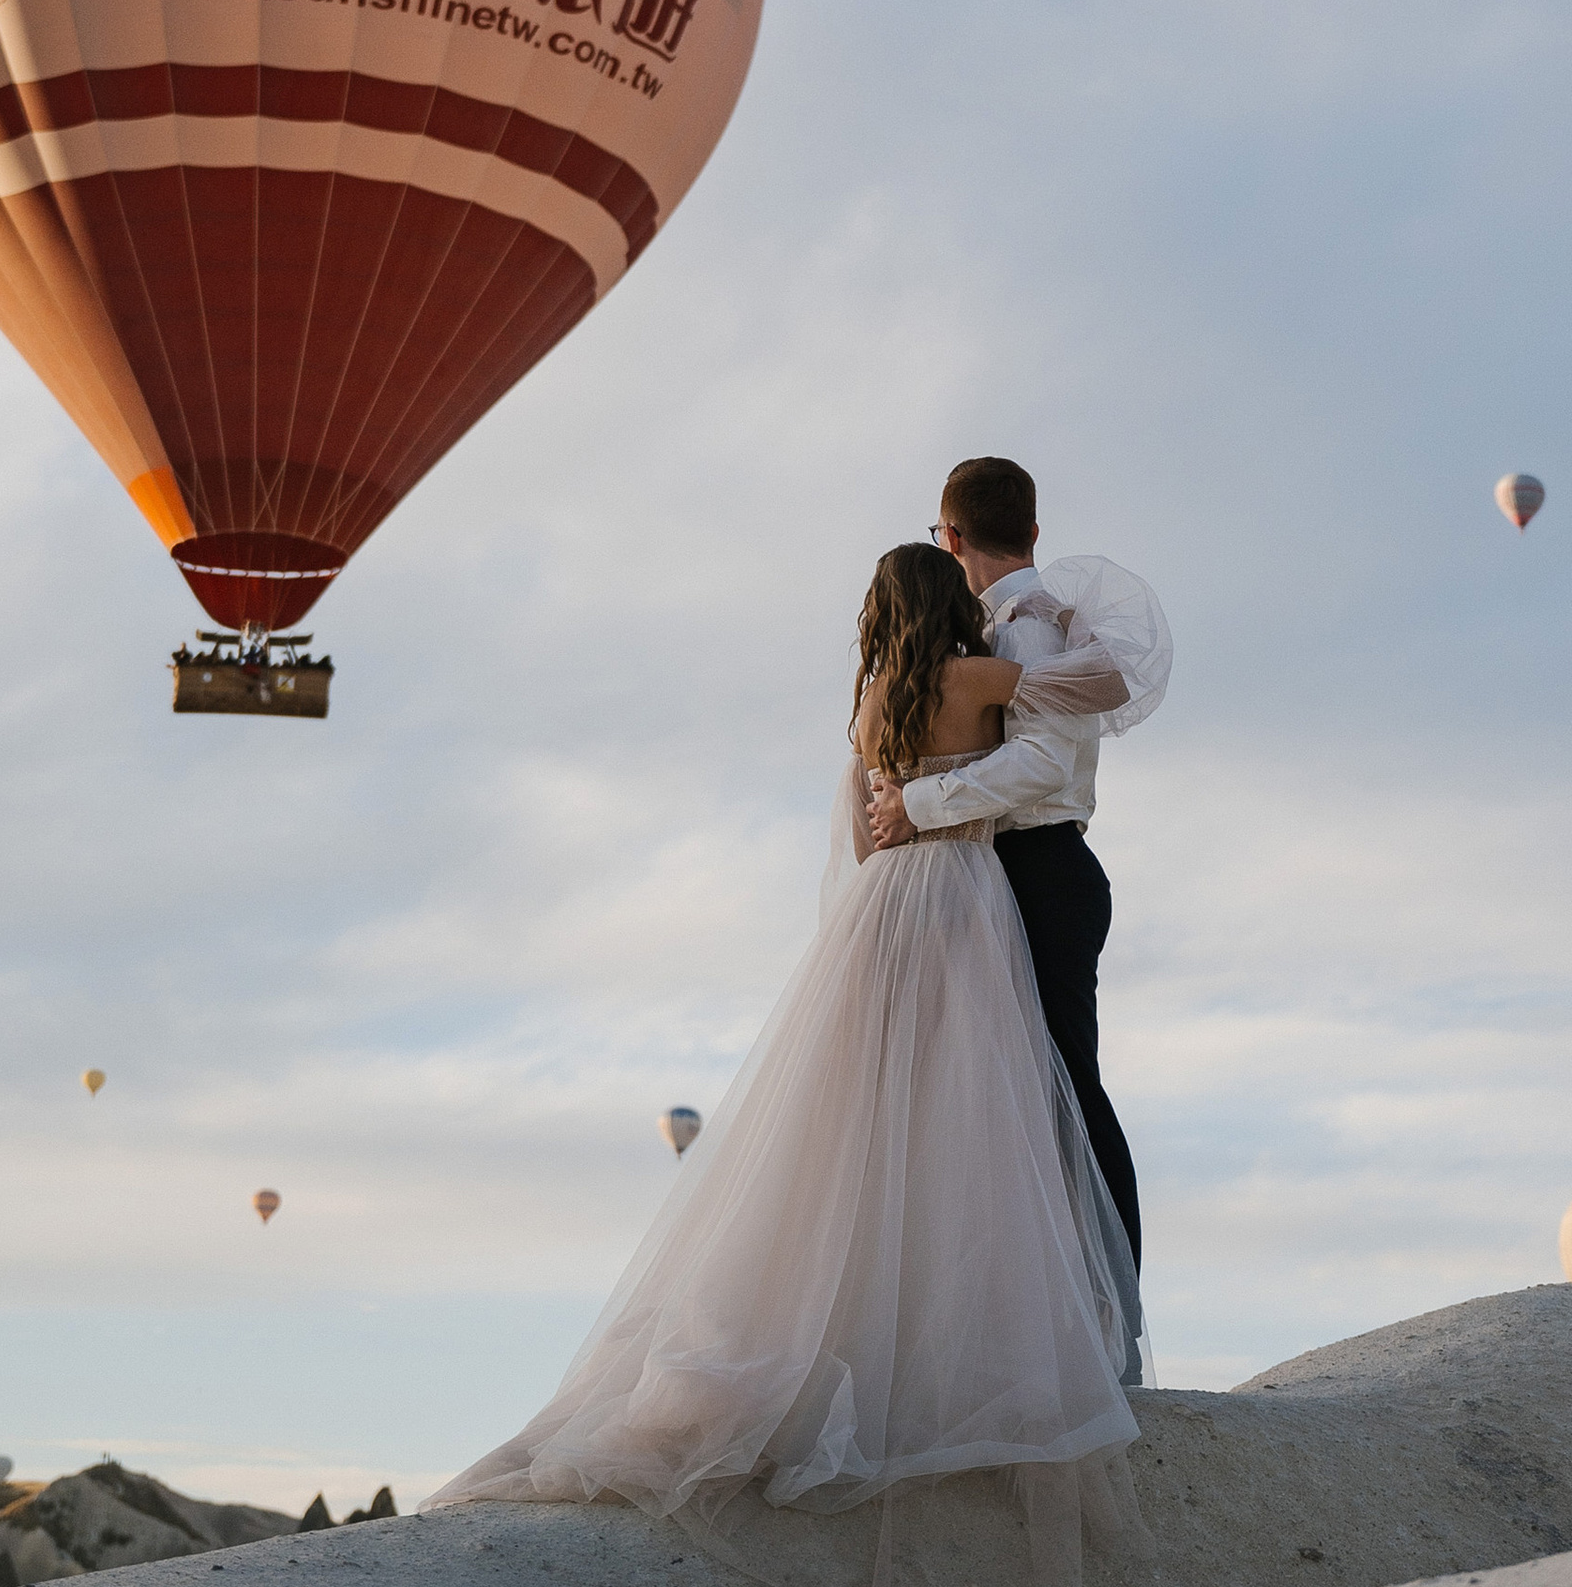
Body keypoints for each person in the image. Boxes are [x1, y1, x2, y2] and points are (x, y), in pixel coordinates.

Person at [424, 541, 1143, 1535]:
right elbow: (1099, 689)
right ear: (950, 600)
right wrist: (1067, 623)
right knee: (974, 1107)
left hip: (881, 909)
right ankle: (979, 1341)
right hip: (964, 894)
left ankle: (835, 1324)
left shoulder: (871, 705)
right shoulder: (980, 675)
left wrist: (902, 819)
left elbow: (860, 839)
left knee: (864, 1121)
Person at [864, 457, 1159, 1268]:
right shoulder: (993, 634)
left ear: (951, 538)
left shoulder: (1027, 627)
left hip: (1040, 866)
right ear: (1031, 529)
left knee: (1066, 1088)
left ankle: (1110, 1301)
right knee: (1021, 1093)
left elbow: (1043, 766)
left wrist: (918, 803)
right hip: (1005, 870)